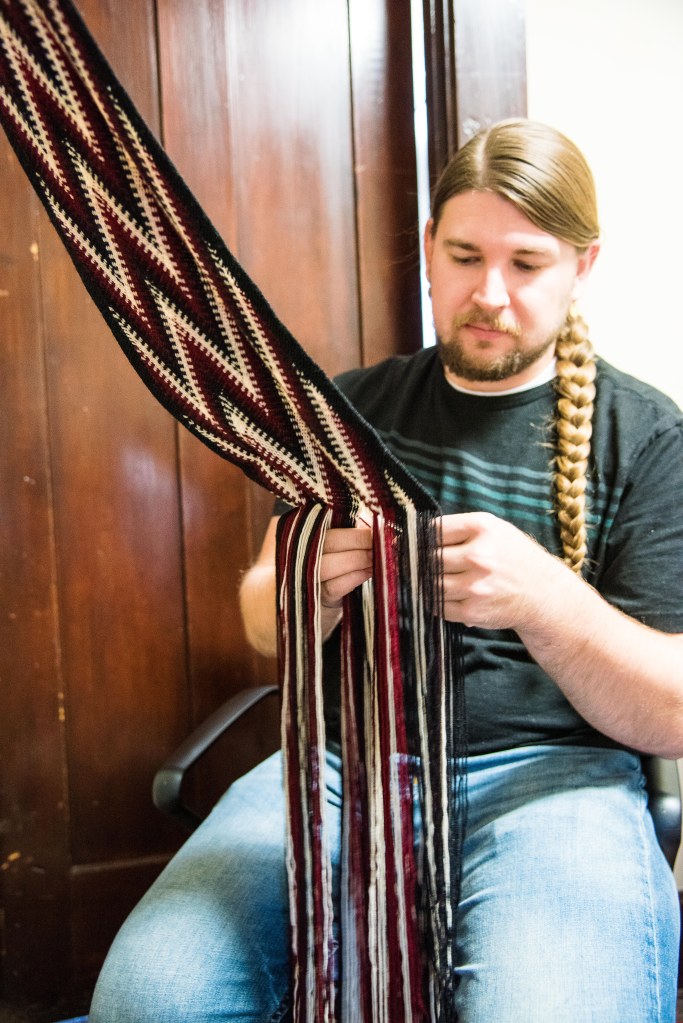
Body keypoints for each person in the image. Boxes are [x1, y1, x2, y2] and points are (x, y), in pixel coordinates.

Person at [89, 119, 683, 1023]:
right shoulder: (348, 407)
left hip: (552, 781)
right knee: (149, 998)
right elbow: (261, 619)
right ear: (427, 254)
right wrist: (298, 587)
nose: (490, 293)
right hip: (338, 761)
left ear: (582, 265)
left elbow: (669, 714)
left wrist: (543, 599)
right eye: (464, 255)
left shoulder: (645, 436)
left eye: (527, 264)